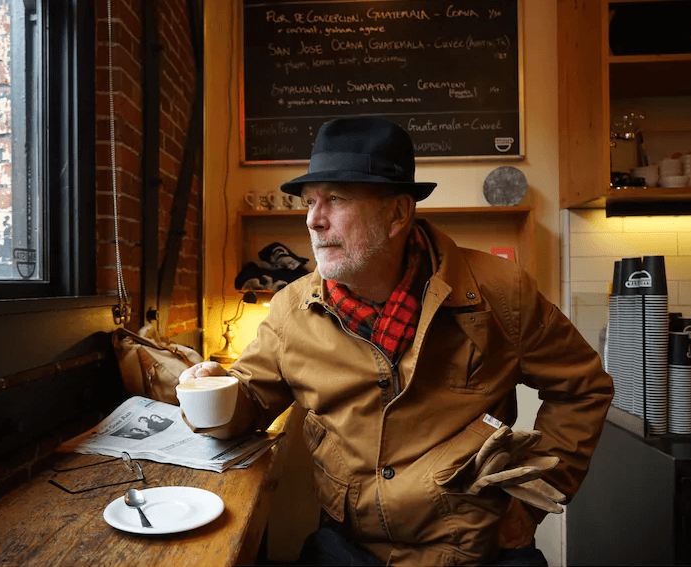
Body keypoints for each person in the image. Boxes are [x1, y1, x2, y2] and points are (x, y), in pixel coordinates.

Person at [180, 116, 613, 566]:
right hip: (348, 549)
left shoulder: (499, 292)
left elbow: (583, 389)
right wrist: (218, 390)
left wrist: (532, 501)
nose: (313, 219)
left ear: (398, 213)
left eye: (335, 199)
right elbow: (251, 397)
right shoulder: (291, 309)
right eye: (309, 202)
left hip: (478, 553)